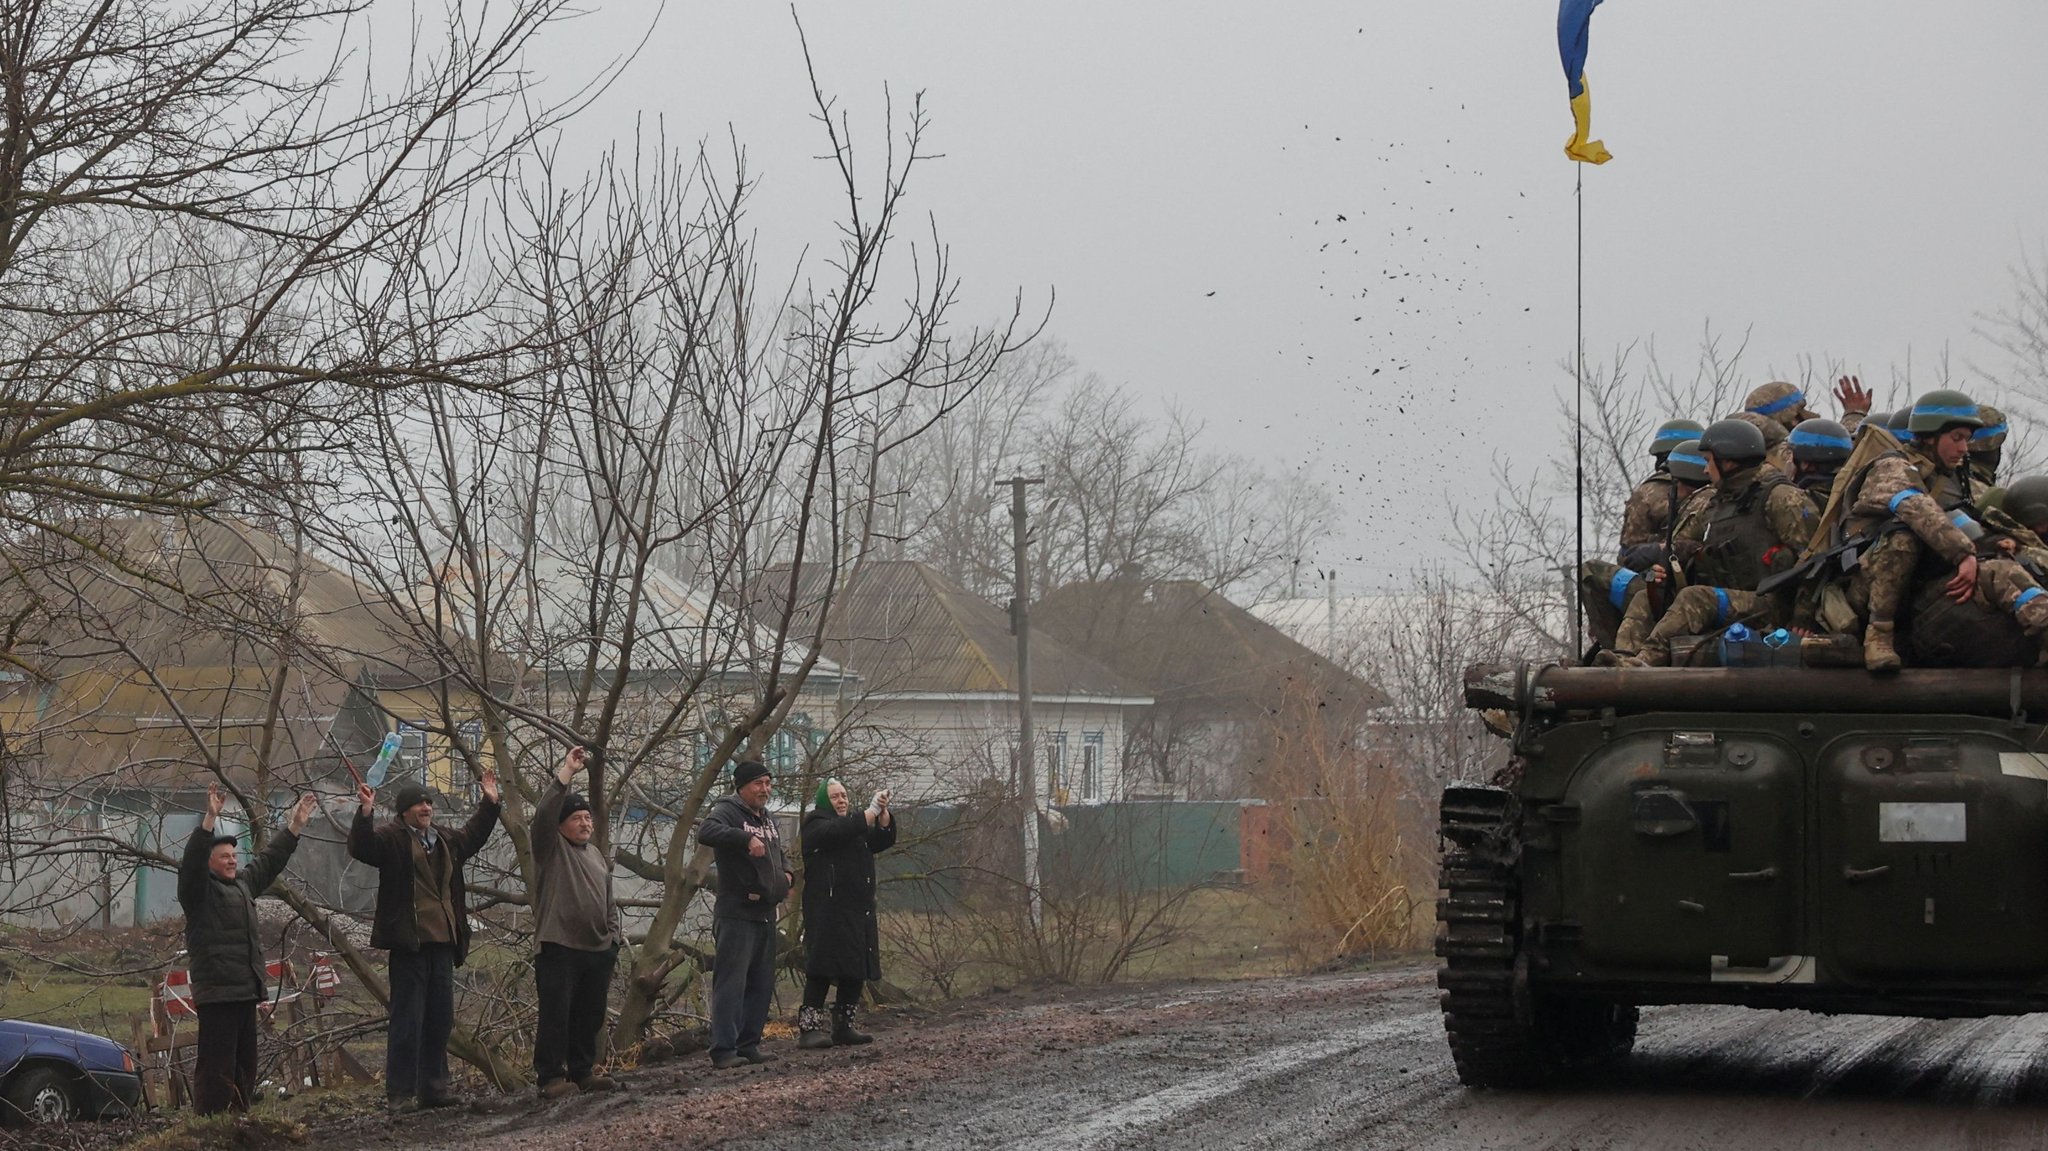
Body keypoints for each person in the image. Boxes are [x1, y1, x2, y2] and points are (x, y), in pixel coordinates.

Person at [1838, 390, 2048, 670]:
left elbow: (1961, 523)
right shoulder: (1890, 466)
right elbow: (1916, 508)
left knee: (2002, 570)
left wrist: (1996, 543)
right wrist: (1963, 555)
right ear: (1929, 436)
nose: (1964, 448)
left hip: (1921, 586)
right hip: (1865, 588)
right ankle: (1879, 636)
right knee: (1903, 536)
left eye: (1967, 440)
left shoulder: (1948, 480)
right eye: (1957, 438)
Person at [349, 767, 501, 1109]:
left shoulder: (446, 839)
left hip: (443, 943)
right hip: (409, 944)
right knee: (407, 1020)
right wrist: (365, 812)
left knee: (440, 1018)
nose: (426, 808)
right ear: (404, 812)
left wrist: (490, 802)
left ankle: (434, 1088)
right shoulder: (391, 839)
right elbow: (362, 847)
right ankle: (400, 1093)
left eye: (429, 803)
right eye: (419, 805)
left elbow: (474, 834)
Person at [1615, 420, 1816, 665]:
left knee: (1696, 598)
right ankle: (1622, 661)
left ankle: (1644, 661)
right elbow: (1686, 544)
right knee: (1649, 594)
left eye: (1709, 461)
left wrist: (1803, 617)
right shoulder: (1718, 501)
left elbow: (1812, 559)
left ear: (1728, 462)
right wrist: (1670, 565)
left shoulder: (1781, 497)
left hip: (1771, 604)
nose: (1705, 471)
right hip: (1730, 597)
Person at [178, 782, 315, 1115]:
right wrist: (210, 818)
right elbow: (192, 863)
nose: (231, 861)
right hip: (217, 992)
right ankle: (211, 1123)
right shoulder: (197, 892)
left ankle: (239, 1120)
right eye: (224, 857)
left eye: (234, 857)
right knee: (217, 1066)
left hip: (244, 990)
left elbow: (269, 862)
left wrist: (294, 827)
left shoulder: (242, 885)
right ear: (209, 863)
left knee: (244, 1065)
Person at [531, 746, 622, 1099]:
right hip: (559, 945)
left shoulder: (596, 855)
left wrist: (613, 938)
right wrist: (565, 774)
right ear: (561, 825)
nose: (585, 823)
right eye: (577, 818)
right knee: (556, 1014)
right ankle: (551, 1077)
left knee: (589, 1015)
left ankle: (582, 1071)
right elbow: (543, 814)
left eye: (588, 818)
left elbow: (609, 899)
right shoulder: (550, 848)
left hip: (598, 947)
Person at [696, 760, 791, 1070]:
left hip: (766, 911)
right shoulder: (727, 810)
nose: (764, 789)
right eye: (758, 784)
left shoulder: (768, 818)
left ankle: (749, 1044)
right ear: (742, 787)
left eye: (767, 783)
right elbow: (706, 831)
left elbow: (780, 855)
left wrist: (787, 876)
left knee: (761, 983)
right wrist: (744, 838)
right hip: (736, 912)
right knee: (731, 984)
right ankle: (724, 1049)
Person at [797, 779, 897, 1050]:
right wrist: (868, 812)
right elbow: (838, 831)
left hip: (858, 908)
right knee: (821, 967)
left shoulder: (854, 827)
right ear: (824, 800)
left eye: (844, 795)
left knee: (856, 966)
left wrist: (883, 814)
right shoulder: (816, 824)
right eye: (835, 796)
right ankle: (809, 1027)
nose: (842, 800)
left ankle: (843, 1025)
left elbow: (881, 839)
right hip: (827, 910)